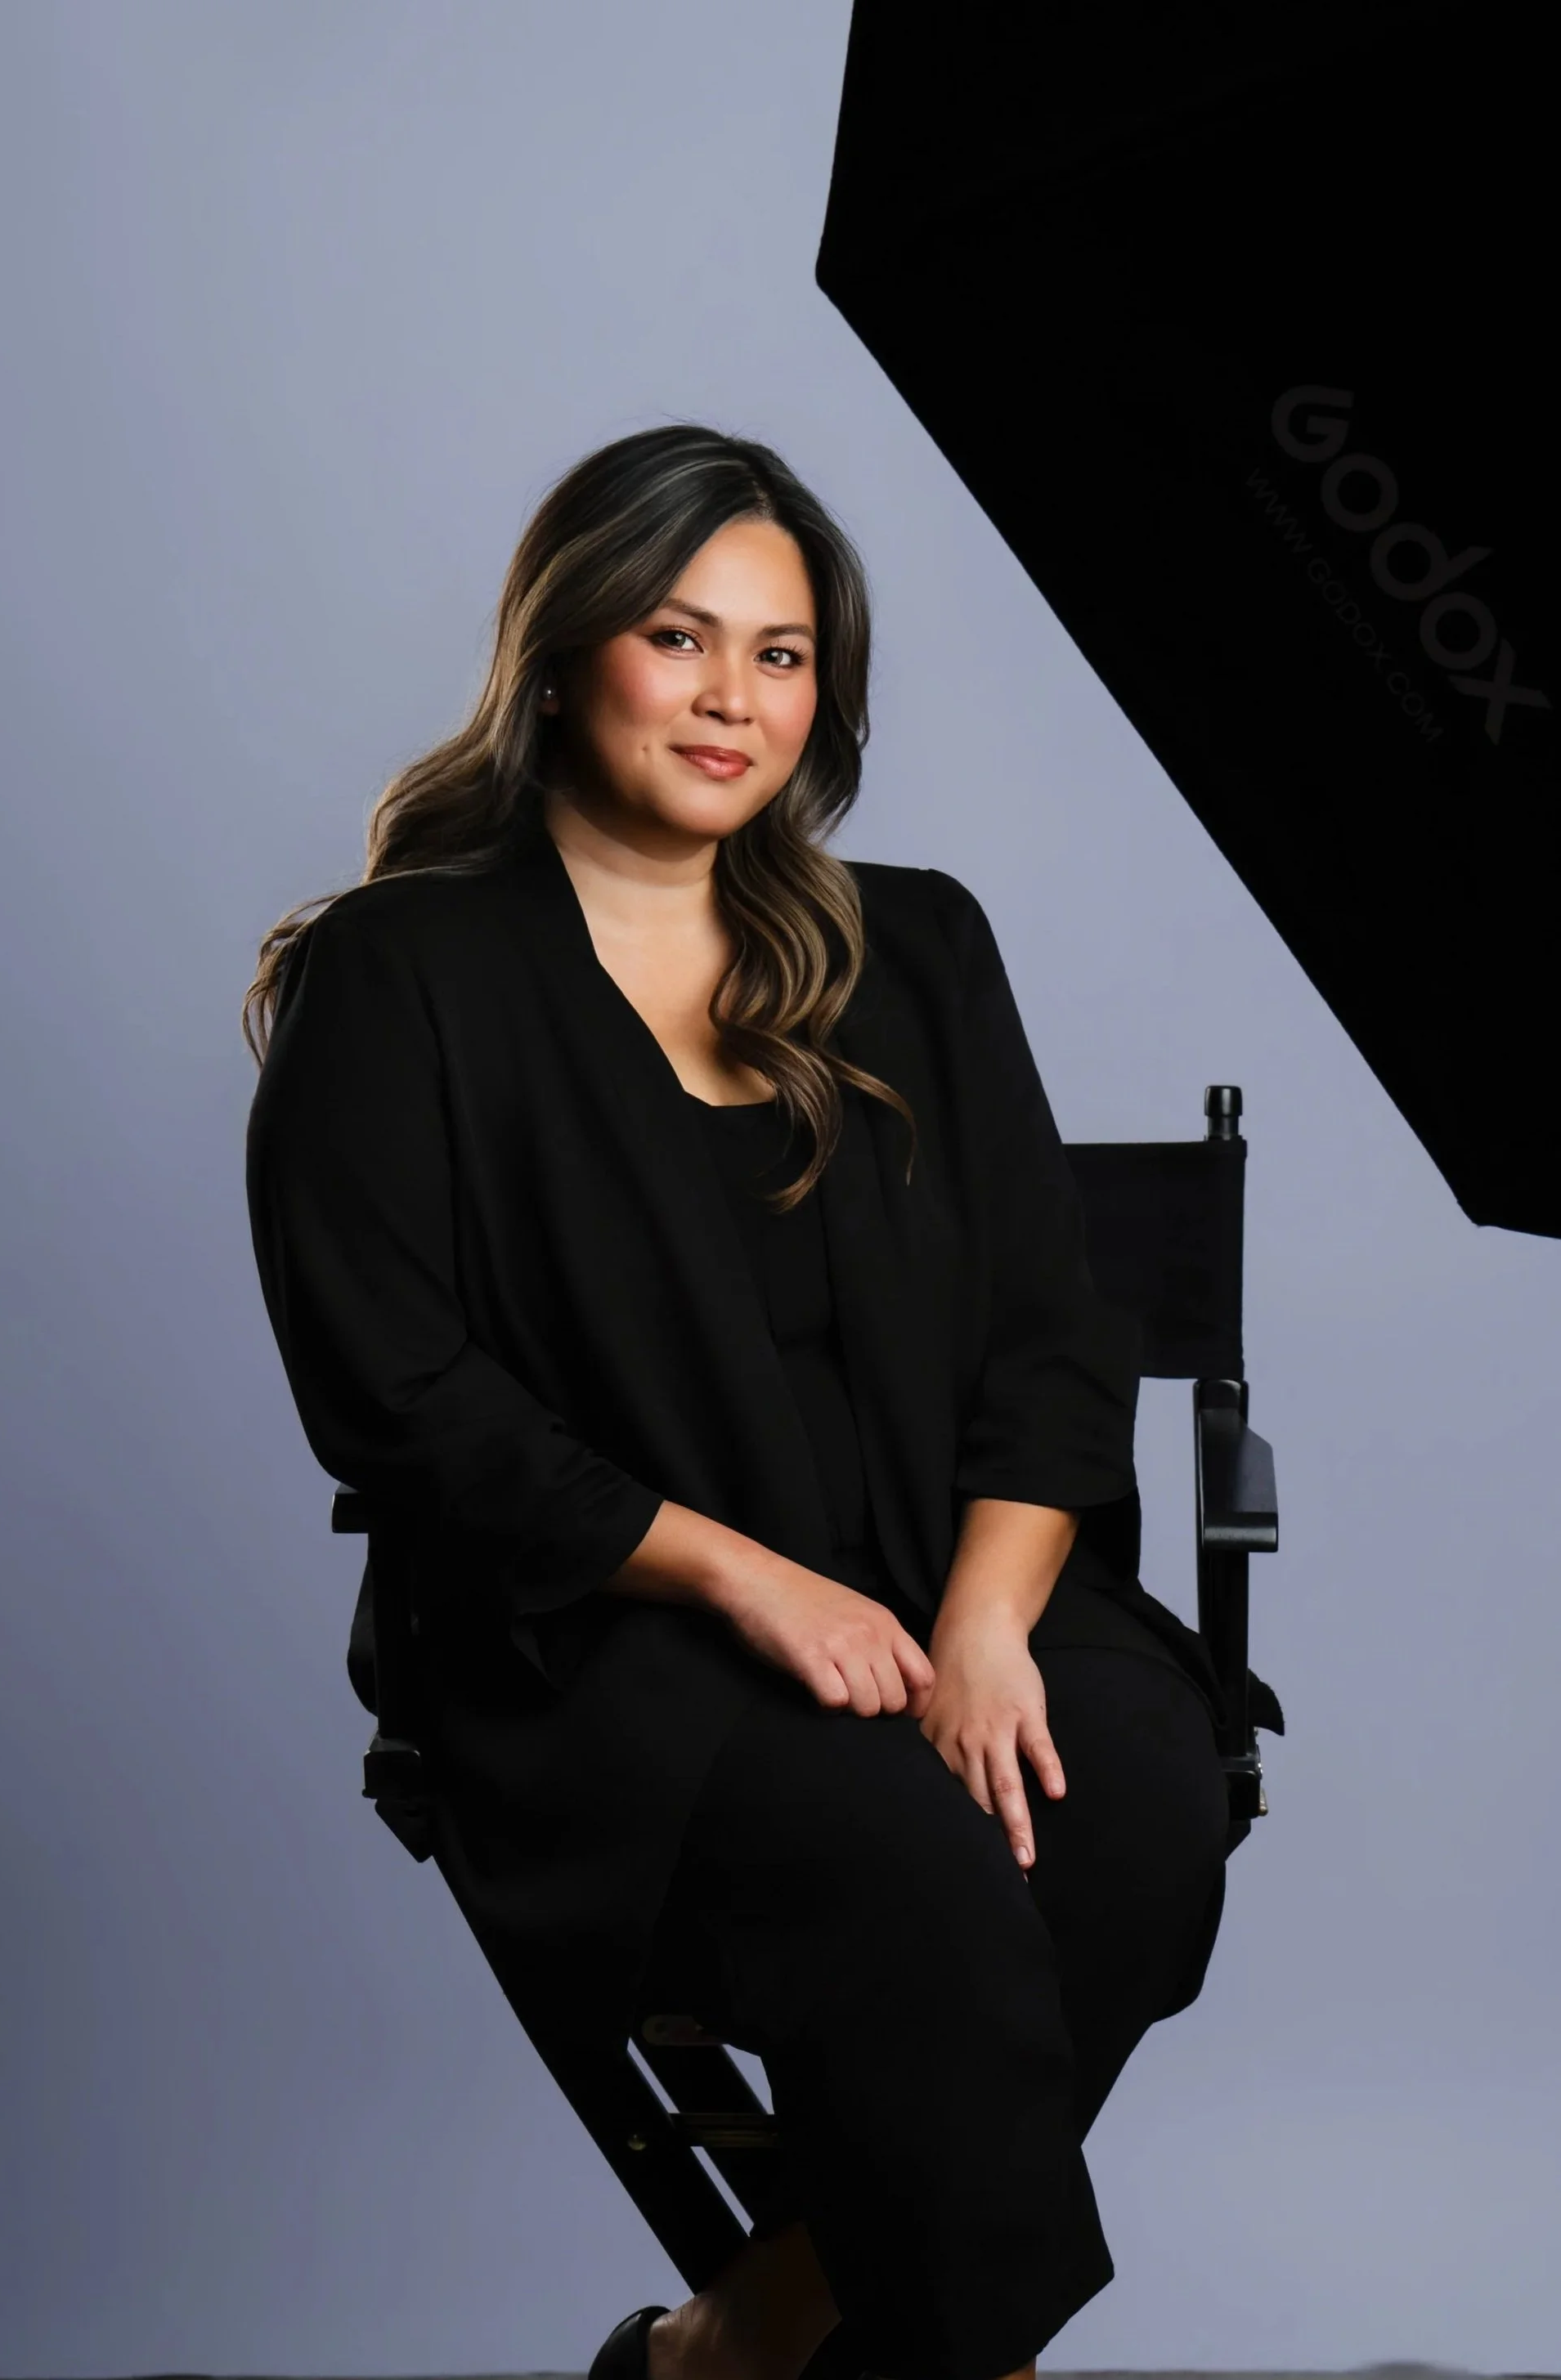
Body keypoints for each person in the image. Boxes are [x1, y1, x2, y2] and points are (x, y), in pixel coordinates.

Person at [242, 423, 1279, 2380]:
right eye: (678, 635)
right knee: (912, 1874)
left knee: (1131, 1815)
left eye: (783, 654)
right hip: (611, 1642)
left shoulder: (916, 947)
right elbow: (393, 1397)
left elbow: (1047, 1349)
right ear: (563, 656)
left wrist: (978, 1628)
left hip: (944, 1575)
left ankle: (733, 2344)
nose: (733, 699)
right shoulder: (401, 973)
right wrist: (746, 1583)